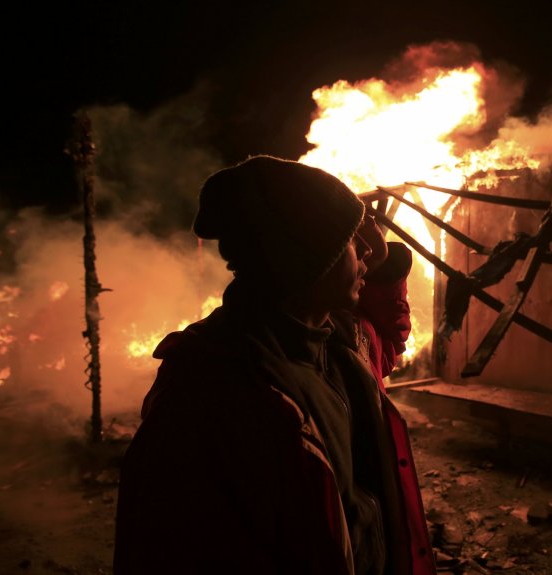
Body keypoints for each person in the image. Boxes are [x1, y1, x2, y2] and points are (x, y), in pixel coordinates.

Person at [114, 155, 437, 575]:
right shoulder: (214, 388)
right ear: (305, 259)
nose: (366, 253)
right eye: (350, 243)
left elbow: (388, 339)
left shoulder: (338, 342)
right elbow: (169, 548)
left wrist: (377, 263)